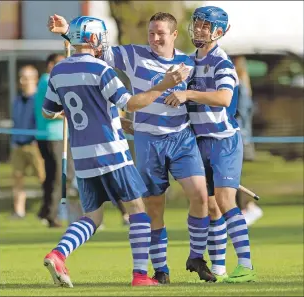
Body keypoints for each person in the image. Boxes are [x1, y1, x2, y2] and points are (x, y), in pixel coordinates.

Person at [48, 12, 216, 284]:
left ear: (174, 35)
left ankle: (196, 256)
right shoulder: (133, 54)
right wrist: (69, 32)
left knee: (200, 196)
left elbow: (203, 100)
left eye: (161, 33)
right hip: (148, 139)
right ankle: (160, 270)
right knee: (152, 208)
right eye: (151, 32)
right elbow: (93, 51)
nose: (155, 38)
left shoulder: (189, 62)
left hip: (181, 137)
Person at [164, 6, 256, 283]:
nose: (199, 29)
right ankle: (218, 268)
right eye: (197, 24)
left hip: (223, 141)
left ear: (218, 31)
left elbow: (225, 99)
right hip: (198, 141)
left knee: (226, 202)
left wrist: (188, 93)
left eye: (205, 26)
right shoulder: (189, 61)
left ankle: (246, 266)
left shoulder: (222, 63)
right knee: (212, 206)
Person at [34, 53, 70, 227]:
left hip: (58, 136)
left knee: (58, 176)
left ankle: (45, 210)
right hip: (52, 136)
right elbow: (53, 109)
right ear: (50, 65)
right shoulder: (48, 80)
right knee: (59, 176)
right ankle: (50, 214)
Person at [10, 65, 45, 219]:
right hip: (18, 144)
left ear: (35, 79)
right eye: (21, 77)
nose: (22, 81)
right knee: (17, 179)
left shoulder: (39, 99)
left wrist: (37, 141)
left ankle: (48, 210)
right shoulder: (17, 100)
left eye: (26, 77)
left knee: (44, 178)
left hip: (35, 145)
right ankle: (19, 211)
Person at [233, 55, 263, 226]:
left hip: (237, 137)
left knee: (231, 177)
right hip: (241, 137)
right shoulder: (244, 86)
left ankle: (247, 208)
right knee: (232, 176)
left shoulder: (239, 88)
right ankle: (244, 209)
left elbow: (239, 114)